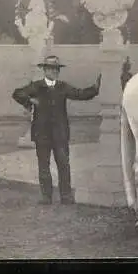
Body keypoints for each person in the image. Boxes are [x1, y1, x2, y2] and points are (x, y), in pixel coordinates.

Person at [12, 55, 101, 205]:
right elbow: (17, 93)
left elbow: (80, 94)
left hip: (60, 133)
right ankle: (46, 197)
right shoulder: (36, 86)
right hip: (42, 134)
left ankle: (66, 196)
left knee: (64, 165)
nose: (54, 72)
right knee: (44, 165)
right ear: (45, 70)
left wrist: (95, 88)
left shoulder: (63, 86)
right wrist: (30, 100)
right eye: (51, 69)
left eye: (56, 69)